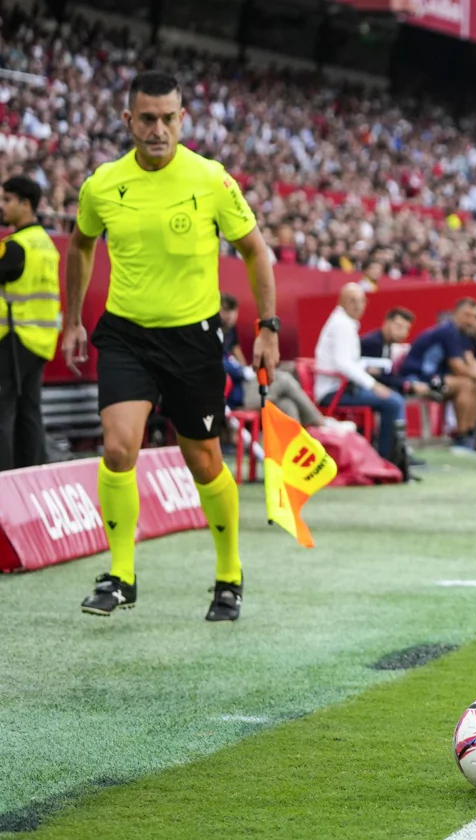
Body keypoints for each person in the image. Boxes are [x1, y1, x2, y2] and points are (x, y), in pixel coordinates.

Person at [63, 71, 280, 621]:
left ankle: (228, 575)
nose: (157, 129)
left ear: (182, 119)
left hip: (193, 340)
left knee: (204, 460)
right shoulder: (102, 185)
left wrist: (268, 328)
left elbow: (255, 252)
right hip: (126, 335)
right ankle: (121, 574)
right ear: (128, 121)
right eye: (147, 118)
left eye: (168, 118)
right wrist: (73, 321)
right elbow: (81, 245)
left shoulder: (211, 179)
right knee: (117, 448)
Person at [0, 175, 60, 472]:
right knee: (29, 413)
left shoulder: (14, 247)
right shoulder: (46, 245)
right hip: (40, 341)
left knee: (3, 413)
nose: (2, 206)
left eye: (7, 200)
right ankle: (32, 476)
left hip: (14, 337)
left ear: (26, 205)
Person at [314, 284, 407, 461]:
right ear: (341, 302)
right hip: (334, 393)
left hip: (343, 388)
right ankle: (386, 458)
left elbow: (348, 363)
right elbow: (343, 364)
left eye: (362, 300)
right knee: (393, 401)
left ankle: (395, 453)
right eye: (352, 301)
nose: (358, 305)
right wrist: (373, 385)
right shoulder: (341, 325)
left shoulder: (344, 322)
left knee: (393, 397)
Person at [399, 298, 476, 450]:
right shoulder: (448, 332)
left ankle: (470, 434)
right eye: (467, 315)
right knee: (465, 384)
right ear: (456, 313)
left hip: (435, 378)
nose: (470, 320)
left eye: (474, 316)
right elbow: (459, 369)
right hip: (417, 377)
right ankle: (461, 437)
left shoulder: (462, 335)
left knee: (474, 385)